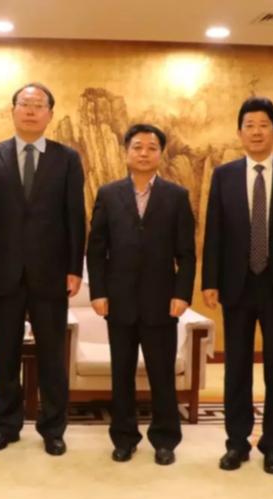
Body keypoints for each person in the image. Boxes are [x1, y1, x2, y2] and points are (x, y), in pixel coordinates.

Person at [202, 96, 273, 474]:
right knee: (236, 367)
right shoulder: (225, 174)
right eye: (249, 125)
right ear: (239, 132)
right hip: (237, 284)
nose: (256, 131)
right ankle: (236, 443)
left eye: (263, 124)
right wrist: (210, 281)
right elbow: (214, 230)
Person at [0, 82, 85, 455]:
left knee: (52, 354)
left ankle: (53, 428)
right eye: (25, 104)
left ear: (50, 114)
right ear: (13, 110)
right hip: (4, 272)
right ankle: (5, 425)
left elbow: (74, 217)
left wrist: (74, 268)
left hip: (51, 274)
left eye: (39, 105)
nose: (31, 110)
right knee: (5, 353)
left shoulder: (67, 158)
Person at [86, 124, 196, 465]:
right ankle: (124, 437)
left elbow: (187, 253)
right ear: (126, 152)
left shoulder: (176, 196)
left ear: (160, 154)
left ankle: (165, 440)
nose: (144, 153)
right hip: (118, 300)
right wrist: (99, 292)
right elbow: (96, 249)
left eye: (151, 147)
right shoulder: (108, 193)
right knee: (122, 373)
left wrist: (182, 294)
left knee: (162, 373)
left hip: (162, 300)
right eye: (137, 147)